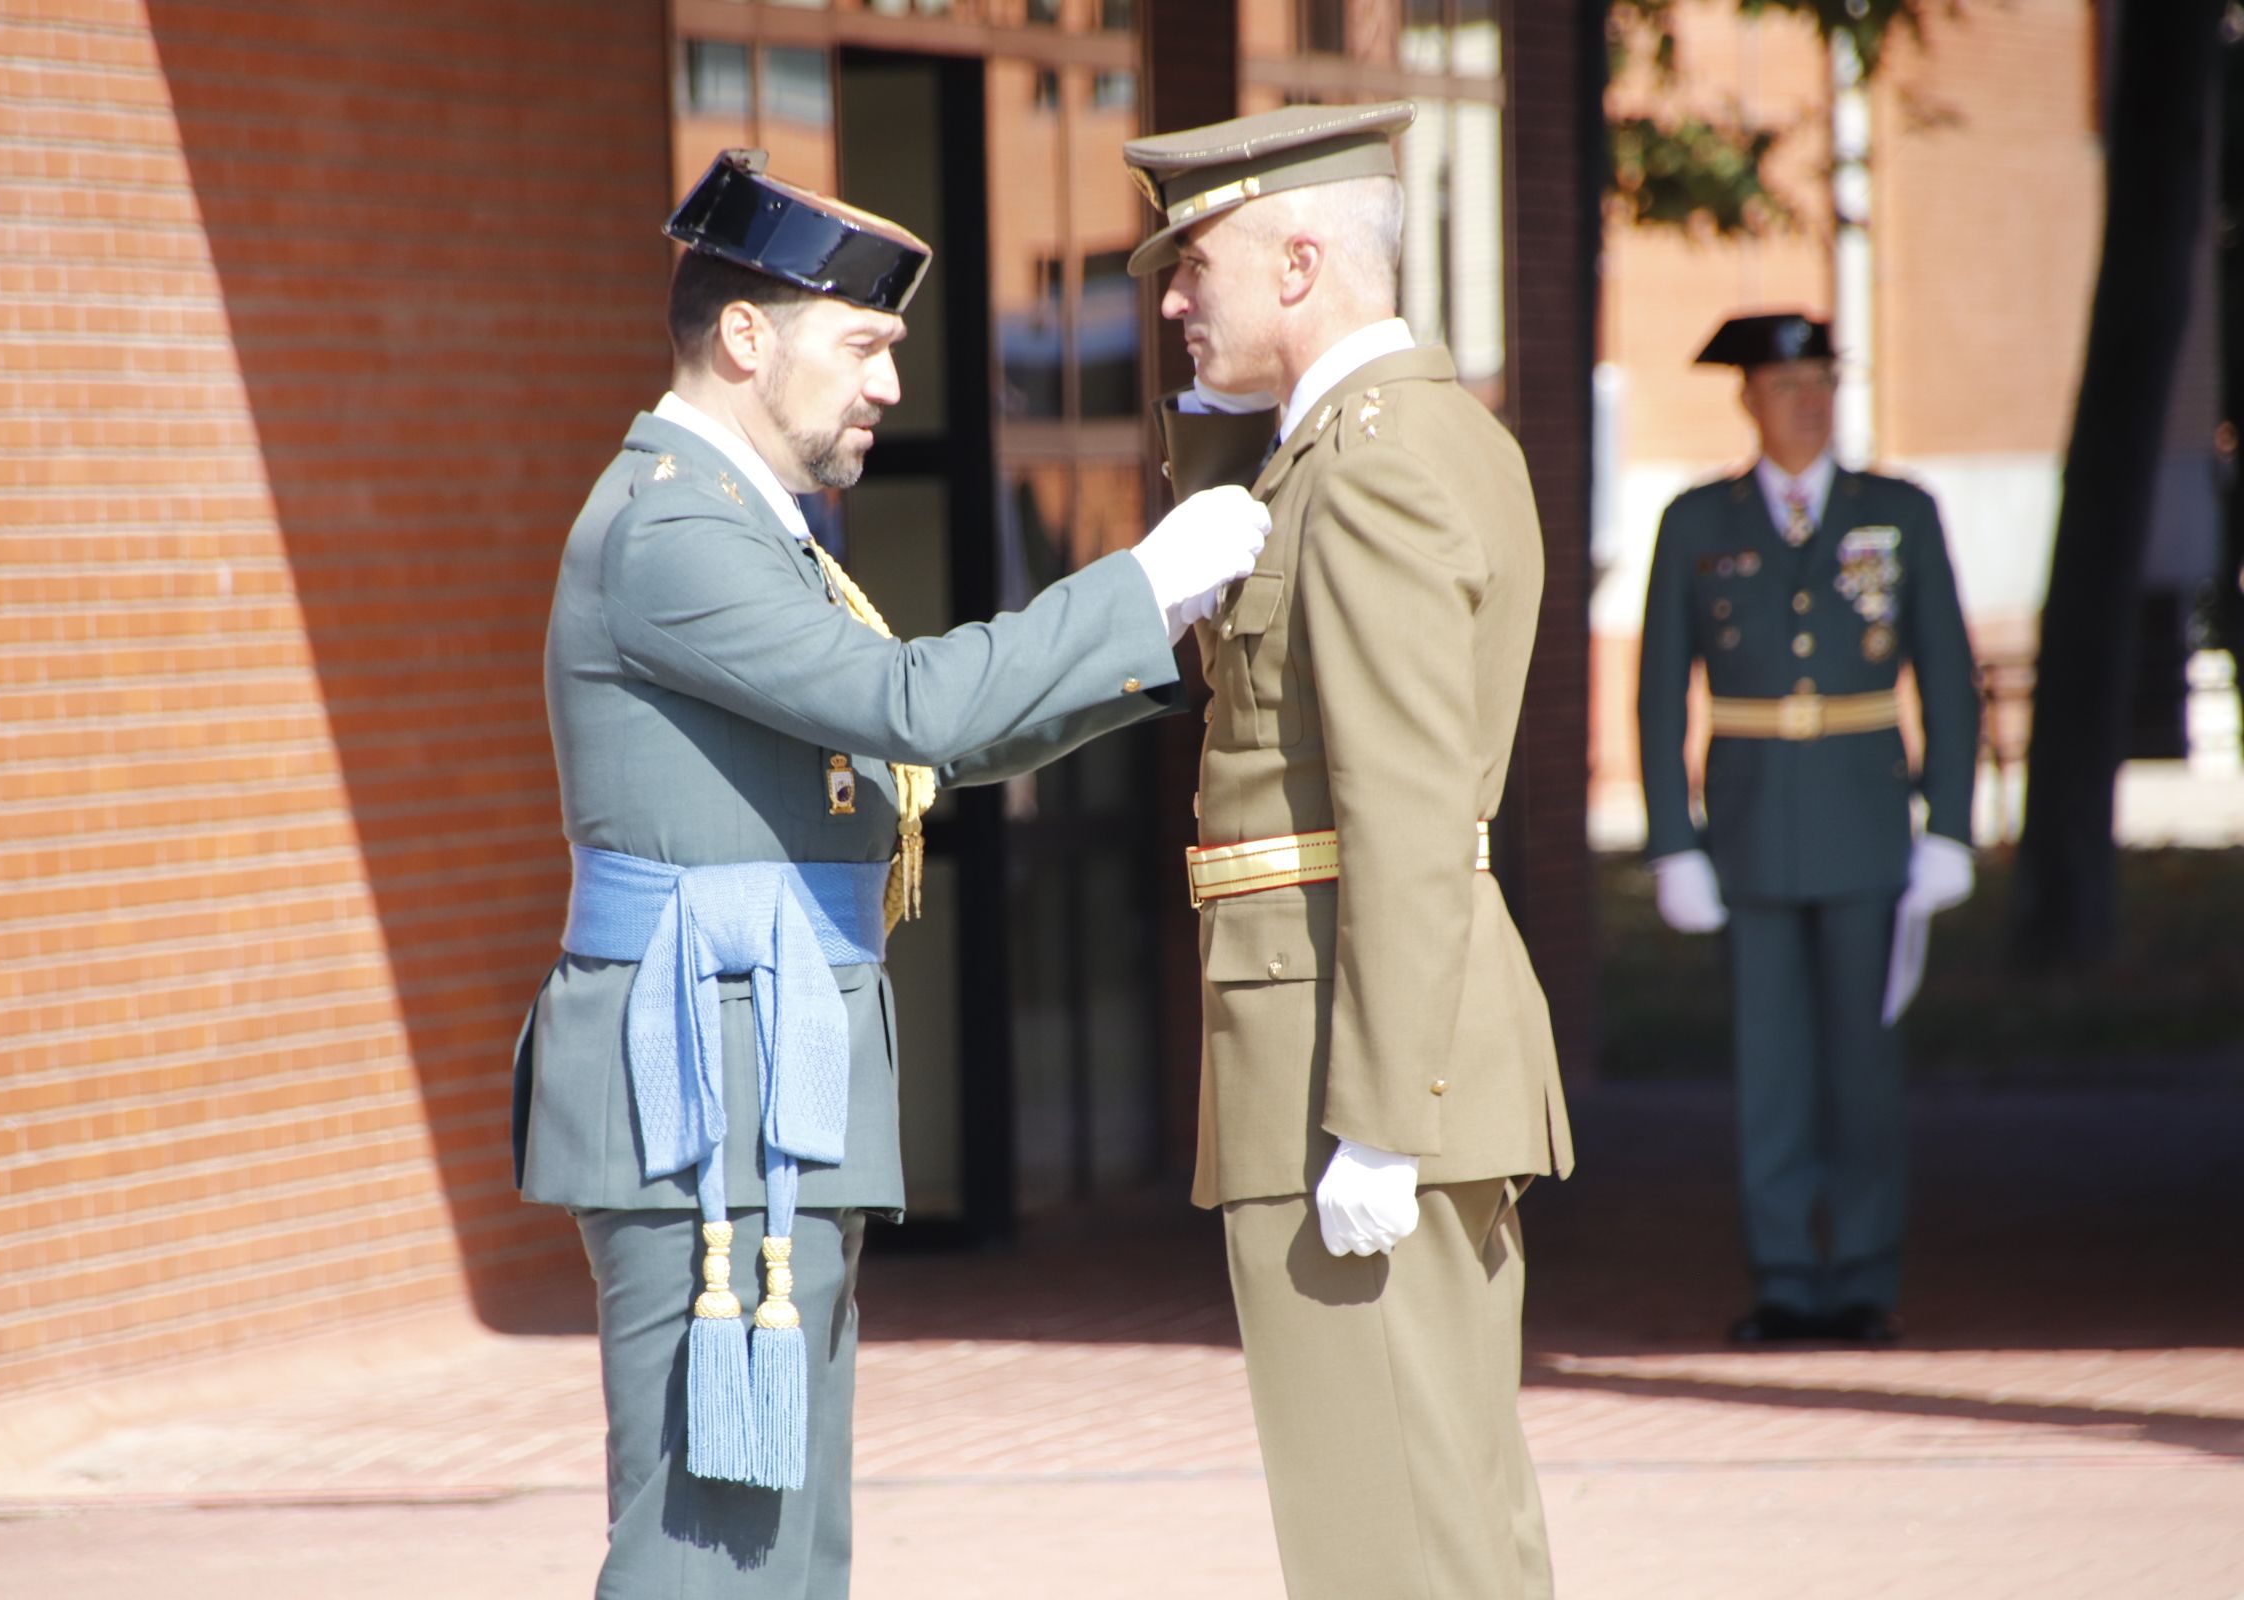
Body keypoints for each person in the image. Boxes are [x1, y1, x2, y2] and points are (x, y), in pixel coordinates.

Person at [511, 149, 1268, 1598]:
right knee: (710, 1545)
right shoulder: (675, 523)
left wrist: (1148, 640)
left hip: (757, 1068)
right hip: (709, 1086)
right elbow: (919, 706)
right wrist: (1145, 585)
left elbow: (926, 749)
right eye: (860, 344)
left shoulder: (737, 521)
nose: (887, 387)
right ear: (746, 335)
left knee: (787, 1546)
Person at [1128, 103, 1573, 1598]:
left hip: (1351, 1057)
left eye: (1197, 261)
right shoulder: (1390, 442)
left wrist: (1375, 1116)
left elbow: (1400, 802)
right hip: (1357, 1040)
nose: (1175, 299)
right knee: (1443, 1521)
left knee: (1388, 1544)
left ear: (1301, 258)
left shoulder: (1366, 463)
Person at [1636, 311, 1981, 1345]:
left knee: (1865, 1070)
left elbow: (1947, 679)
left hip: (1867, 821)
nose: (1811, 402)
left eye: (1824, 381)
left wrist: (1952, 823)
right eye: (1789, 385)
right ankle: (1787, 1276)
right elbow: (1659, 693)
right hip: (1749, 829)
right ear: (1749, 399)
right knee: (1772, 1070)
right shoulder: (1699, 521)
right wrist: (1672, 837)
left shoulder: (1899, 512)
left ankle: (1865, 1277)